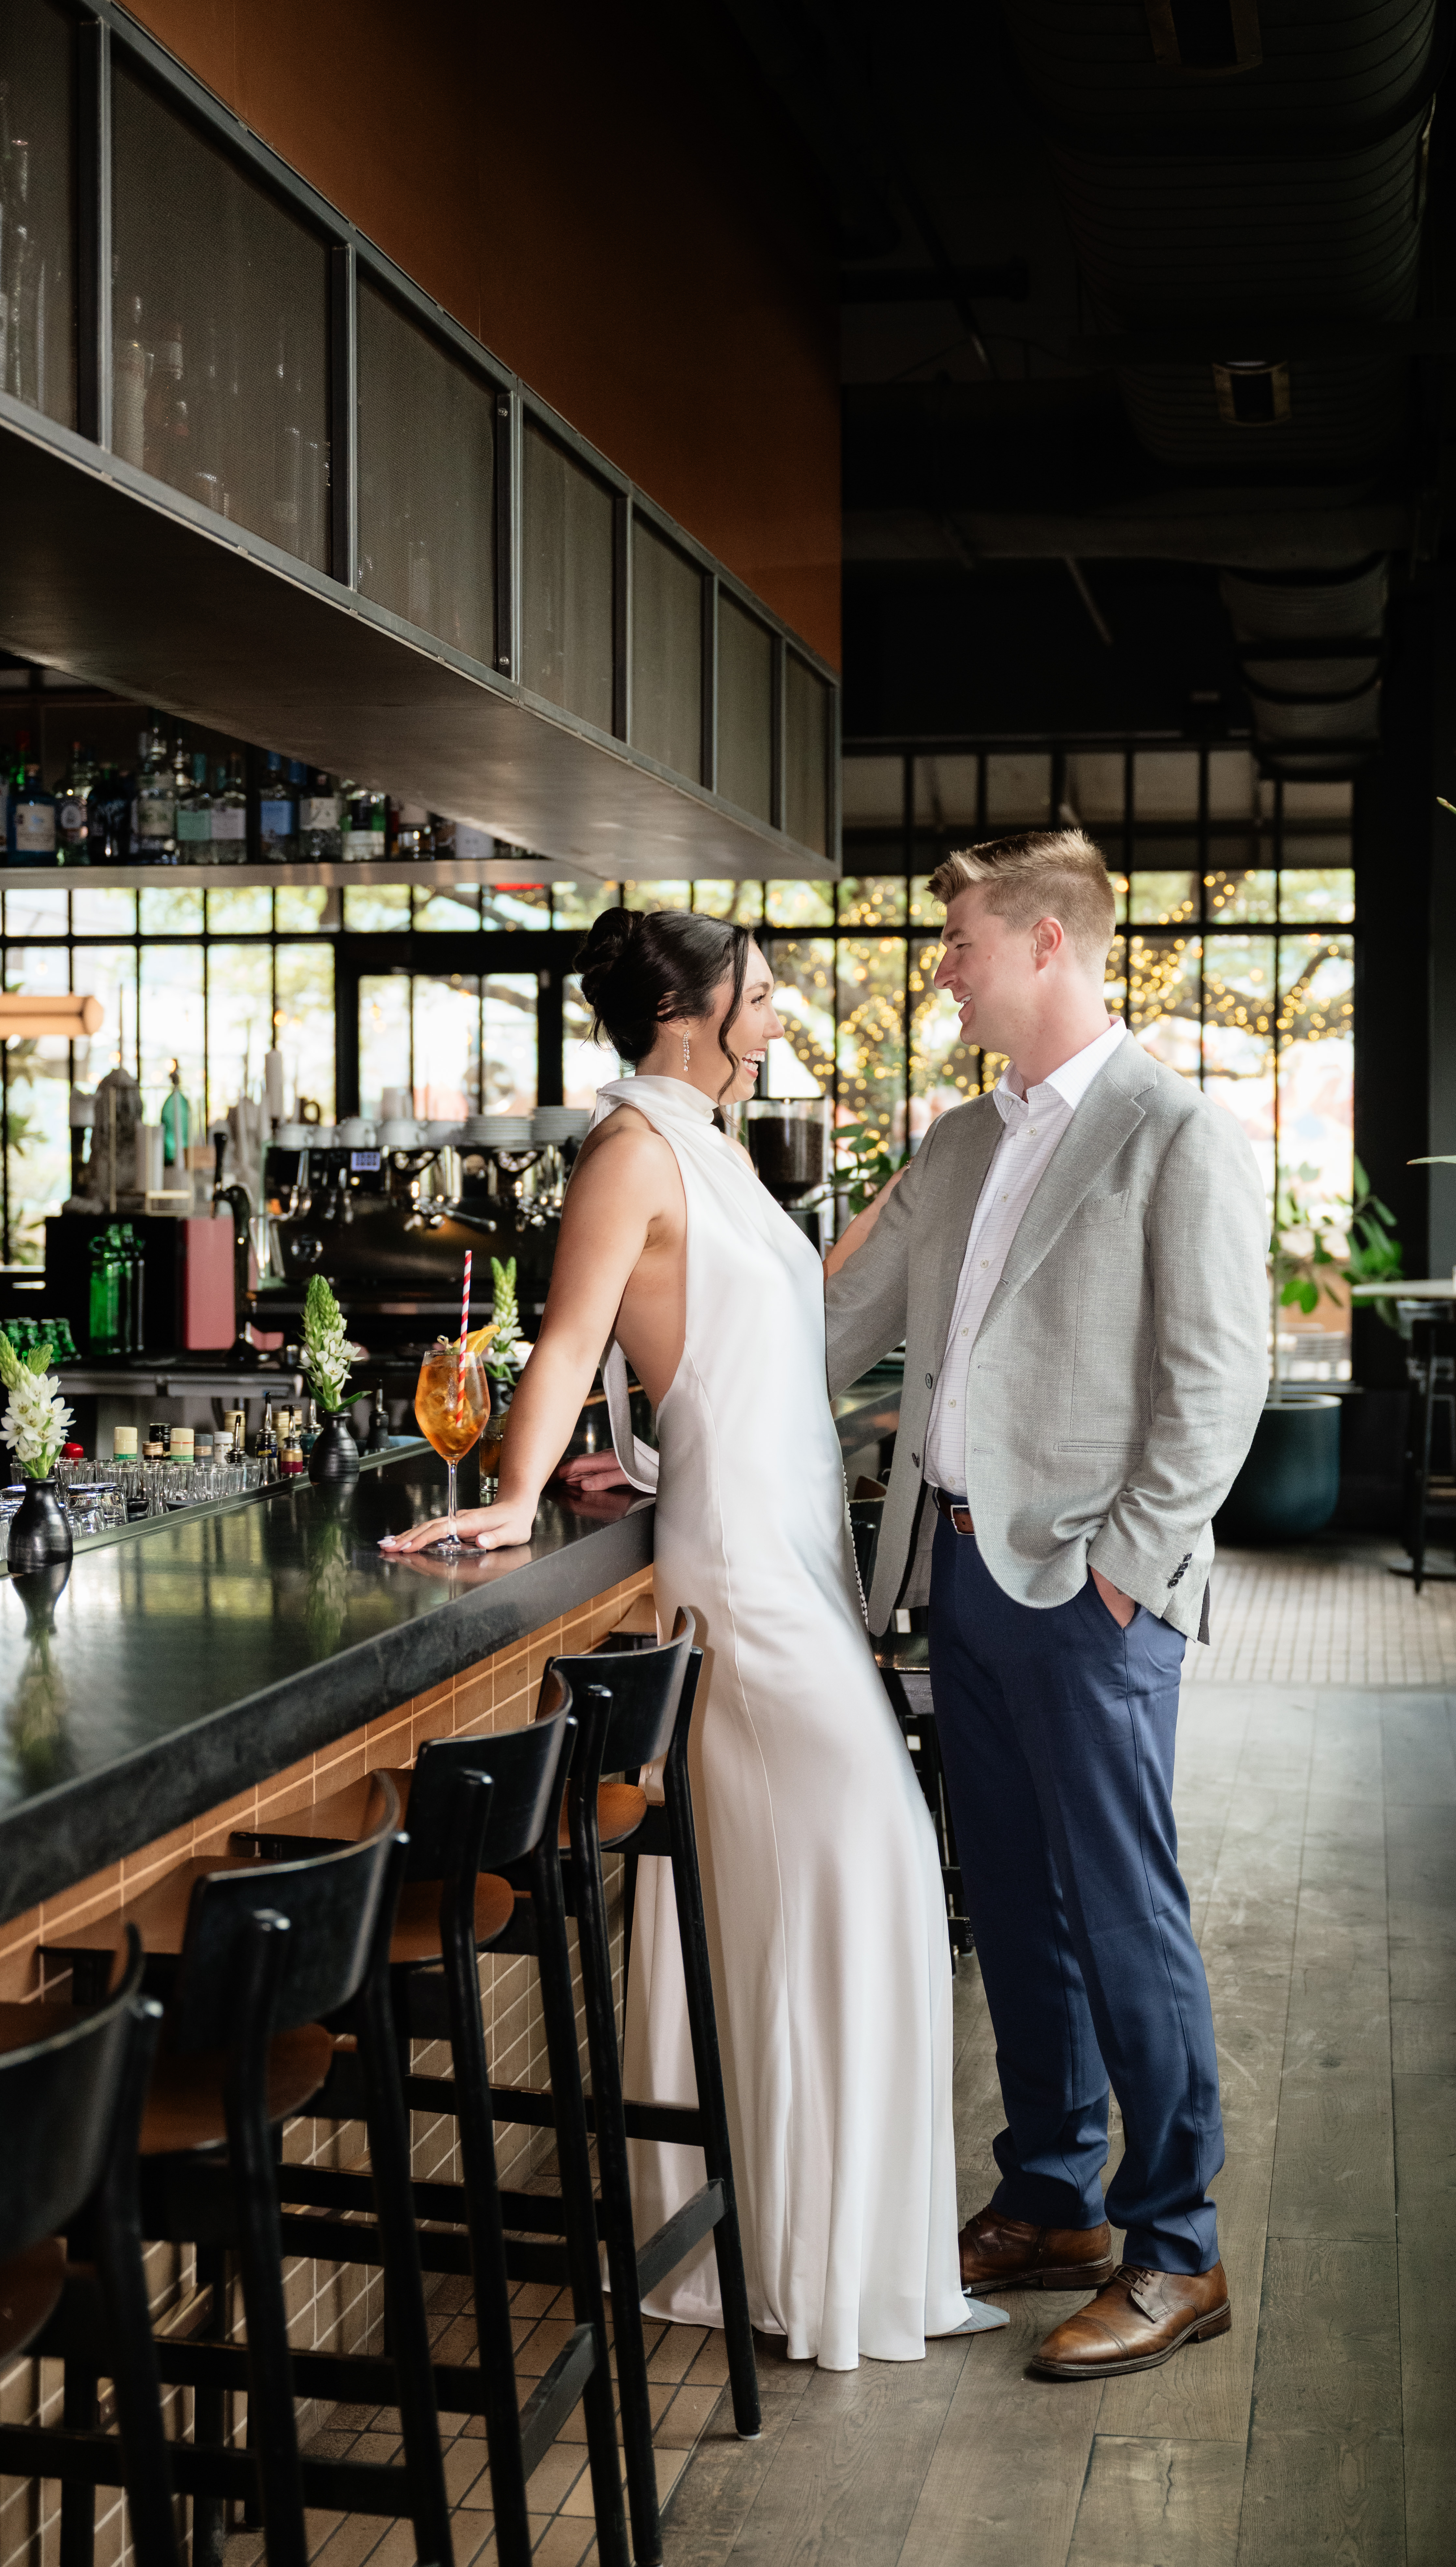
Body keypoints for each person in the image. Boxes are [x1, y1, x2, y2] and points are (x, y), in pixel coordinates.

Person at [382, 907, 997, 2370]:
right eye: (759, 984)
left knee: (831, 1894)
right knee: (869, 1871)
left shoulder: (709, 1140)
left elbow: (742, 1363)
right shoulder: (631, 1151)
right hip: (745, 1583)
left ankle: (819, 2253)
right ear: (685, 1009)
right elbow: (570, 1338)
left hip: (788, 1550)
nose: (779, 1002)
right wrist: (516, 1491)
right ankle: (810, 2263)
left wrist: (643, 1469)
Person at [823, 828, 1269, 2383]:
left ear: (1043, 945)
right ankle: (1049, 2194)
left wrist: (1123, 1574)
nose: (939, 964)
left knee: (1120, 1907)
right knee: (1010, 1900)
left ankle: (1175, 2246)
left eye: (958, 937)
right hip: (956, 1570)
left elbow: (1218, 1378)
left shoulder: (1173, 1132)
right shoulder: (956, 1142)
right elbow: (836, 1327)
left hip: (1089, 1590)